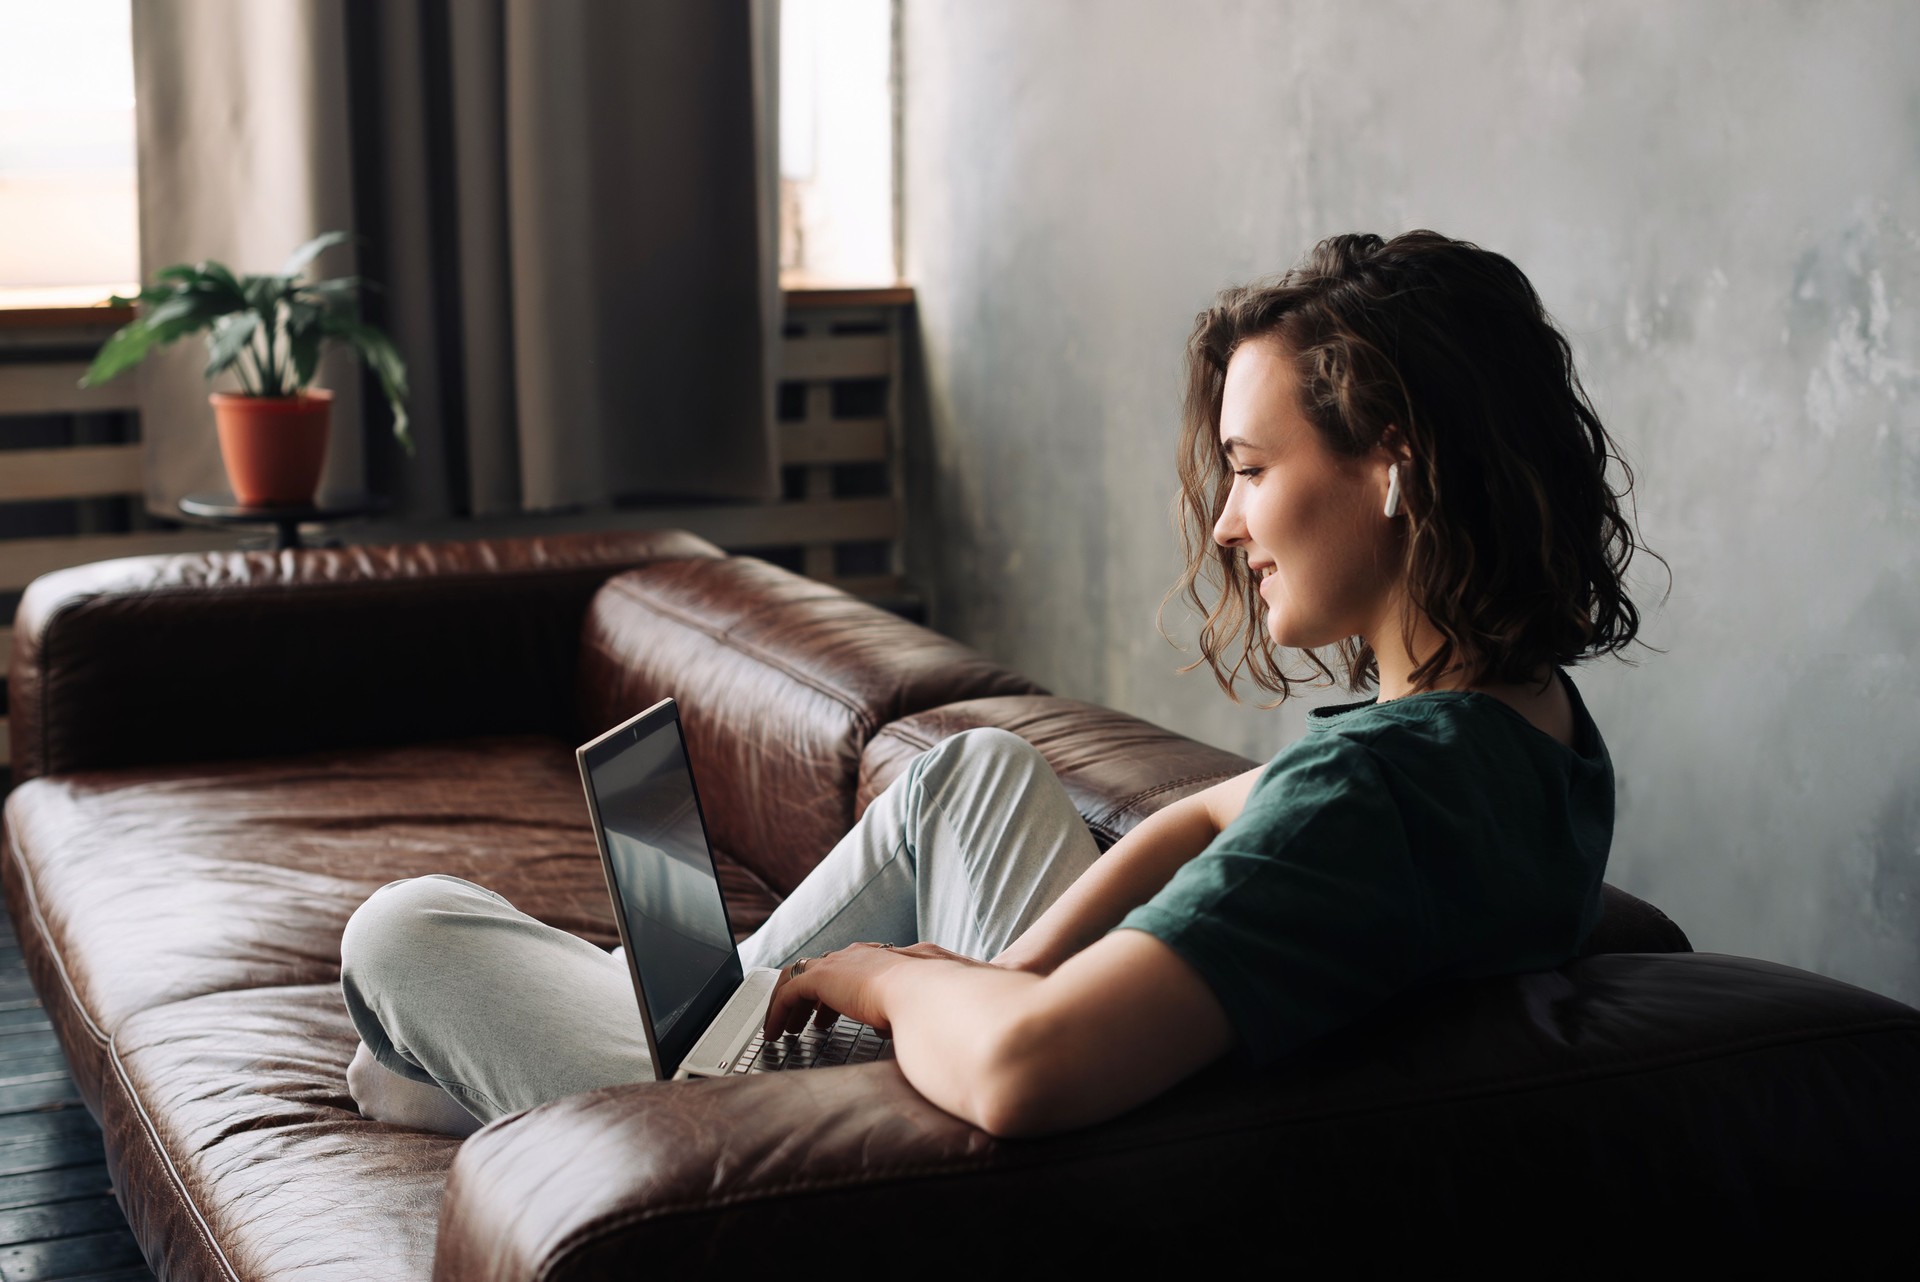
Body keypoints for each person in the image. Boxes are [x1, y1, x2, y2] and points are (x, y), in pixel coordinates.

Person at [340, 229, 1659, 1140]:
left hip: (963, 1121)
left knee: (404, 929)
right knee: (972, 772)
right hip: (1054, 1026)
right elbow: (1202, 815)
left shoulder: (1371, 798)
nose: (1224, 524)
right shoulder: (1521, 730)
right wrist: (997, 963)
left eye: (1253, 470)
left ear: (1396, 467)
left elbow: (1026, 1066)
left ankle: (585, 1060)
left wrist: (888, 981)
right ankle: (682, 1013)